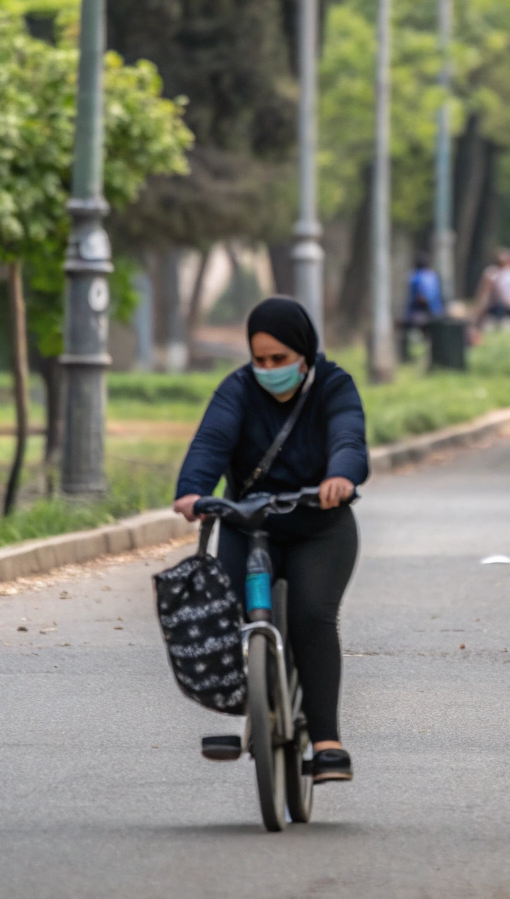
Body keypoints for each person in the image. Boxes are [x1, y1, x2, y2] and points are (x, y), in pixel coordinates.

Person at [173, 297, 368, 783]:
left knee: (310, 615)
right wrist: (193, 491)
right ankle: (252, 712)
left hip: (319, 528)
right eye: (259, 360)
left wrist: (340, 477)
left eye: (279, 360)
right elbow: (211, 442)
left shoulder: (334, 386)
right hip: (249, 525)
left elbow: (349, 437)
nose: (268, 370)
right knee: (229, 613)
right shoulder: (237, 389)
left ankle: (326, 741)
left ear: (304, 353)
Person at [401, 254, 444, 359]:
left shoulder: (415, 277)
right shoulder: (433, 276)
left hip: (421, 314)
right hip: (437, 312)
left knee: (406, 330)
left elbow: (421, 298)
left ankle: (406, 356)